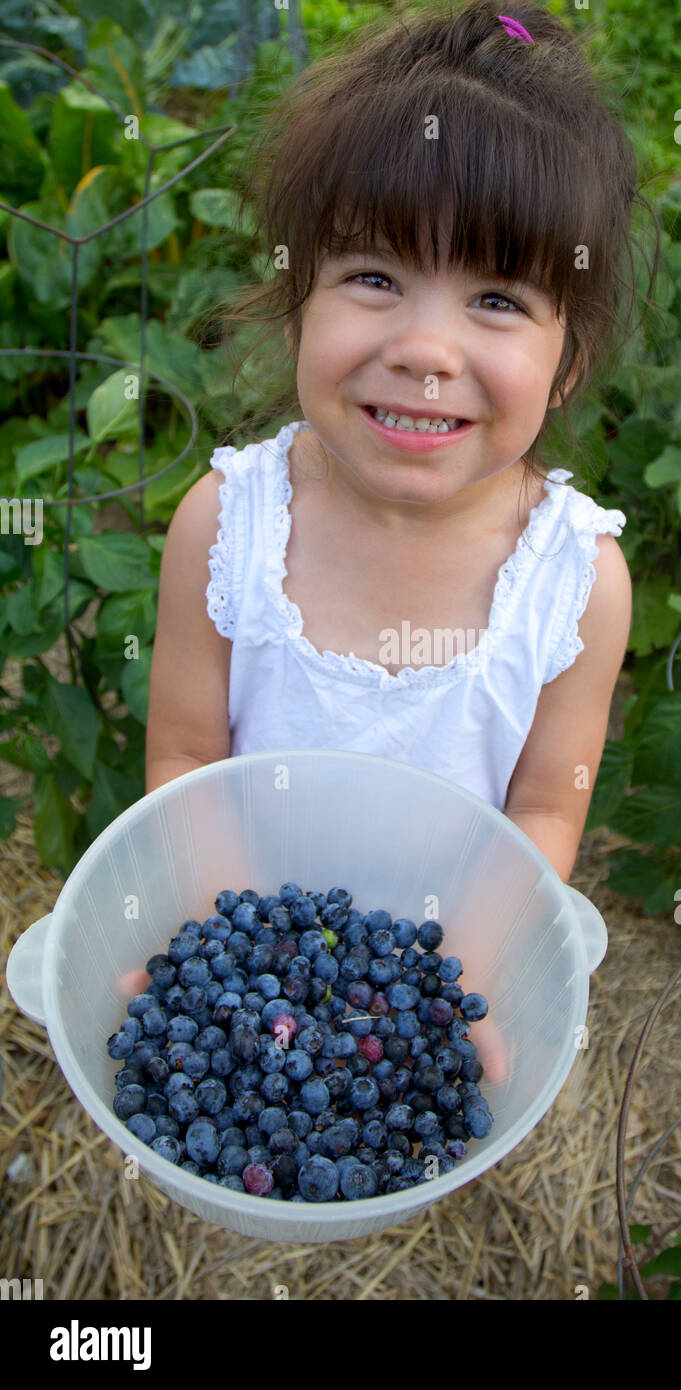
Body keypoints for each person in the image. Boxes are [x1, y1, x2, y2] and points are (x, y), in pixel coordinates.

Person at [145, 1, 654, 1079]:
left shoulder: (573, 583)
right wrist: (216, 957)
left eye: (495, 298)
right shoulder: (227, 528)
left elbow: (538, 806)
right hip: (254, 954)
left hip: (420, 967)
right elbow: (187, 760)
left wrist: (450, 983)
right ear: (296, 303)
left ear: (569, 359)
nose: (425, 349)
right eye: (372, 278)